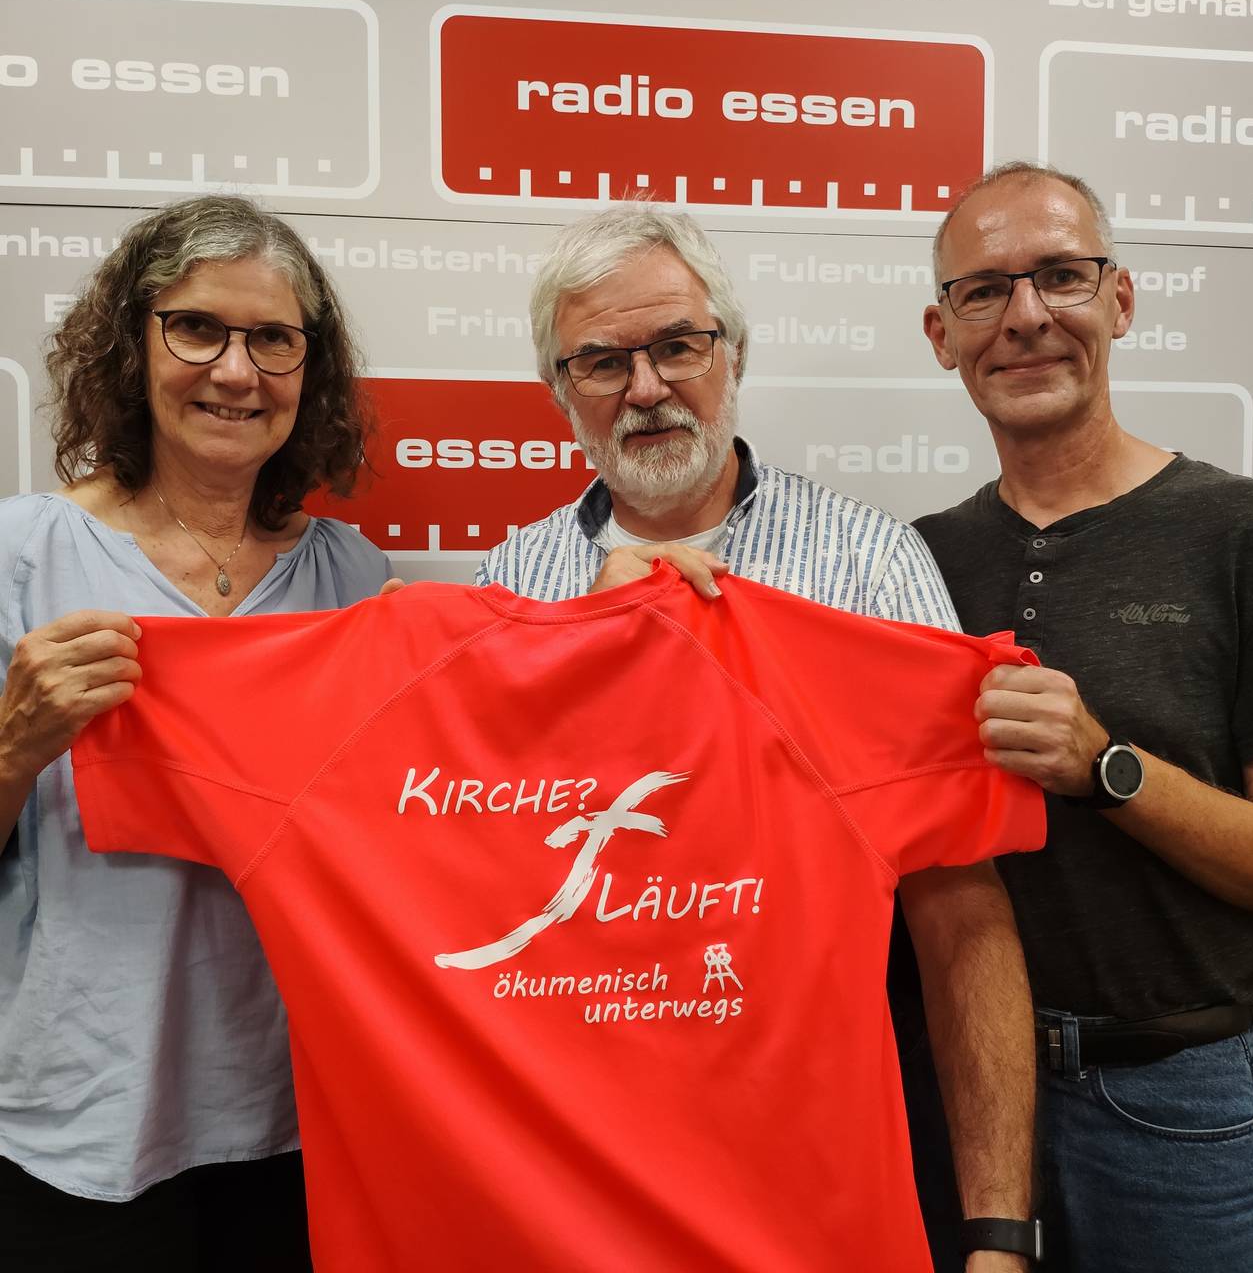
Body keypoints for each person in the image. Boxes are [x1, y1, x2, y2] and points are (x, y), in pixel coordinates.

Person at [480, 202, 1040, 1272]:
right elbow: (483, 889)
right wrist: (571, 644)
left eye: (677, 345)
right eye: (600, 362)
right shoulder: (511, 585)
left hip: (814, 1170)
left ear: (732, 353)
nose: (645, 387)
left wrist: (998, 1234)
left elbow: (958, 906)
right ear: (560, 393)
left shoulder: (870, 566)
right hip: (579, 1180)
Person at [0, 194, 393, 1271]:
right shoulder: (21, 555)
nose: (235, 370)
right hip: (82, 1129)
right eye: (197, 328)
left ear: (310, 367)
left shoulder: (354, 579)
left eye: (273, 339)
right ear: (133, 343)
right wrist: (14, 747)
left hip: (302, 1120)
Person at [915, 161, 1253, 1273]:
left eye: (1060, 276)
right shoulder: (913, 561)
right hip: (957, 1100)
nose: (1025, 316)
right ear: (941, 333)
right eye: (984, 290)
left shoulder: (1245, 535)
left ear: (1118, 300)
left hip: (1176, 1109)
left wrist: (1107, 765)